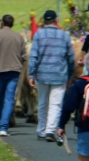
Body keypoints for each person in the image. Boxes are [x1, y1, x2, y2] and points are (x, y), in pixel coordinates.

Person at [28, 10, 75, 141]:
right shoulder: (64, 36)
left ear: (44, 21)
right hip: (59, 74)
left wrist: (31, 74)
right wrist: (70, 75)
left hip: (42, 74)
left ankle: (41, 129)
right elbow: (71, 57)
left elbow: (33, 56)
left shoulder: (38, 34)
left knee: (42, 102)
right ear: (56, 20)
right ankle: (50, 130)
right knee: (56, 104)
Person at [0, 14, 26, 137]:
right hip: (14, 71)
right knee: (9, 99)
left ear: (2, 23)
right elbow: (23, 57)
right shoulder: (19, 37)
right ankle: (4, 127)